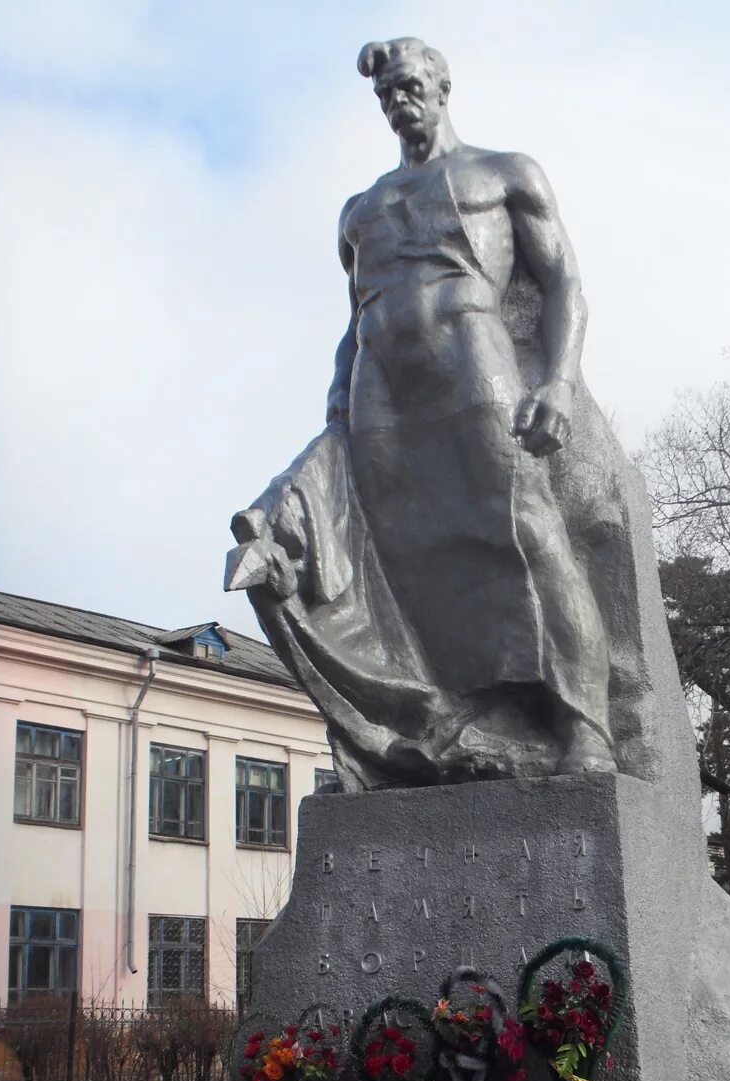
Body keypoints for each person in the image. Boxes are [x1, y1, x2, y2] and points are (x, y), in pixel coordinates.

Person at [227, 38, 644, 791]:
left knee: (527, 533)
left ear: (443, 86)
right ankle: (452, 725)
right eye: (387, 93)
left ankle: (585, 727)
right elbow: (354, 320)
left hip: (473, 360)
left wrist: (559, 379)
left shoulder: (503, 173)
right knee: (404, 562)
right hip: (379, 388)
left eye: (410, 85)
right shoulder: (362, 209)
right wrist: (335, 411)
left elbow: (564, 286)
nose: (399, 100)